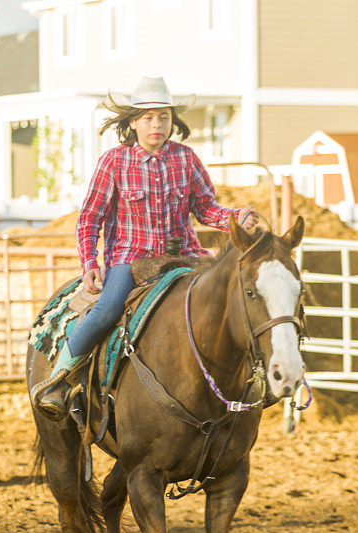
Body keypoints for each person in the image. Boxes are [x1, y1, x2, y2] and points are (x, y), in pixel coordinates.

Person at [34, 76, 257, 419]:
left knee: (229, 302)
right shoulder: (114, 162)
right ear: (133, 122)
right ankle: (59, 381)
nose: (157, 124)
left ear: (173, 121)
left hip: (185, 256)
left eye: (164, 117)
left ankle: (251, 379)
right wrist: (89, 262)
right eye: (149, 117)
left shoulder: (186, 159)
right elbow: (90, 218)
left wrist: (236, 215)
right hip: (129, 259)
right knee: (107, 311)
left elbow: (206, 209)